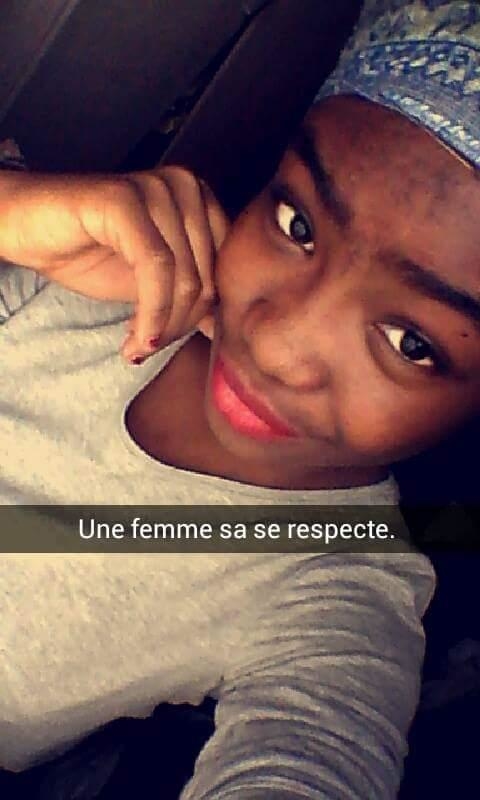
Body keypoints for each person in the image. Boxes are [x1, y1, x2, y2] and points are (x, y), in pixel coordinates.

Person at [0, 0, 478, 797]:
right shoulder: (85, 290)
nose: (278, 346)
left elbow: (310, 760)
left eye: (411, 344)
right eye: (298, 224)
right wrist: (10, 209)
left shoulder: (335, 587)